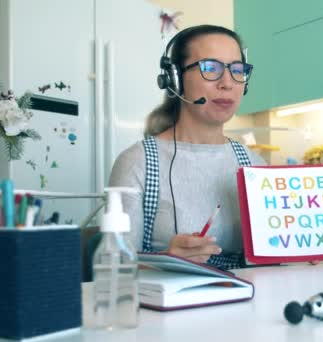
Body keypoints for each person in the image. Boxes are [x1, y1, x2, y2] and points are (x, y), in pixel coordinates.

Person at [109, 25, 265, 269]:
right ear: (176, 79)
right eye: (210, 68)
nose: (227, 82)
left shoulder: (255, 164)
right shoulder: (137, 162)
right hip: (166, 303)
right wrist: (167, 262)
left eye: (237, 70)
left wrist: (299, 253)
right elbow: (114, 266)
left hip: (246, 302)